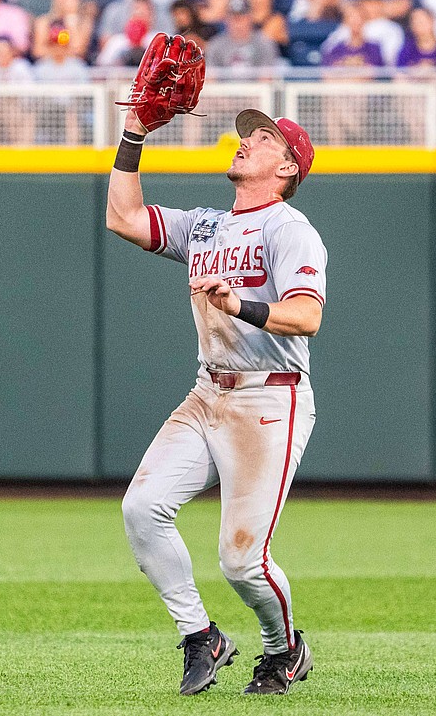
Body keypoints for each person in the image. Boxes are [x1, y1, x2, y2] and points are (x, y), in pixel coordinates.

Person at [107, 88, 325, 697]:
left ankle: (285, 650)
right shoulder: (208, 224)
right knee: (140, 510)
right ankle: (201, 635)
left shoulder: (291, 228)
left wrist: (241, 305)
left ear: (286, 168)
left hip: (268, 399)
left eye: (263, 137)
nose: (246, 138)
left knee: (241, 561)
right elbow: (122, 217)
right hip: (207, 393)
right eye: (247, 132)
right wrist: (134, 135)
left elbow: (306, 316)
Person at [205, 0, 280, 69]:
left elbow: (267, 77)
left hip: (255, 81)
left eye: (242, 18)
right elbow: (211, 77)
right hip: (225, 81)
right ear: (226, 20)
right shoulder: (215, 45)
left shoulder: (264, 44)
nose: (238, 24)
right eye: (234, 19)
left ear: (250, 18)